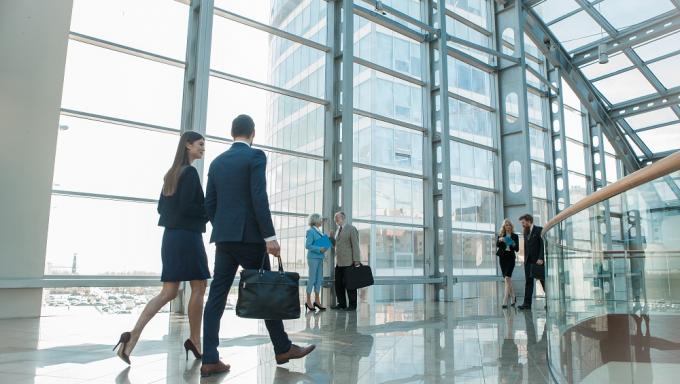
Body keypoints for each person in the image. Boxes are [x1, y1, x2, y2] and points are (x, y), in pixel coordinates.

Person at [200, 114, 315, 377]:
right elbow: (258, 197)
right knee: (266, 290)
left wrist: (225, 227)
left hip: (224, 239)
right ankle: (283, 348)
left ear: (232, 133)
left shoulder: (217, 163)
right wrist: (269, 237)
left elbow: (210, 204)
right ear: (252, 133)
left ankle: (209, 358)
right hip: (251, 239)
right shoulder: (255, 157)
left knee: (216, 297)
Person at [114, 131, 210, 364]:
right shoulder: (191, 174)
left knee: (168, 292)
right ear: (187, 145)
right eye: (200, 144)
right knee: (199, 287)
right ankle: (195, 341)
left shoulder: (171, 174)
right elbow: (189, 208)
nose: (203, 148)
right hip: (188, 237)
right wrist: (209, 210)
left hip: (171, 238)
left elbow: (161, 209)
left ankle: (132, 337)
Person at [329, 211, 361, 311]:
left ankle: (352, 305)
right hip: (339, 262)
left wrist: (357, 260)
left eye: (337, 218)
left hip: (349, 262)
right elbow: (335, 245)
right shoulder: (337, 230)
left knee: (350, 284)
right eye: (335, 218)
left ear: (343, 218)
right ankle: (341, 304)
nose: (335, 220)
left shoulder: (351, 229)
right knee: (338, 284)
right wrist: (331, 237)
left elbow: (355, 245)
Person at [517, 214, 545, 310]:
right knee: (528, 283)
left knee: (543, 282)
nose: (522, 225)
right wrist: (524, 261)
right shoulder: (525, 232)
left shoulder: (539, 230)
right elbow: (526, 247)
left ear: (529, 221)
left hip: (538, 261)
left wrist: (541, 258)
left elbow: (542, 245)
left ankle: (549, 302)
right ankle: (527, 304)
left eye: (523, 223)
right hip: (528, 262)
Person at [305, 213, 327, 312]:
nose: (321, 221)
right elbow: (308, 245)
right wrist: (319, 249)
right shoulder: (310, 231)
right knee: (312, 278)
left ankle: (317, 301)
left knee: (319, 279)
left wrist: (325, 245)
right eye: (320, 219)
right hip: (313, 258)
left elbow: (322, 246)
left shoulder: (320, 232)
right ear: (316, 220)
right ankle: (308, 300)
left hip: (320, 258)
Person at [496, 219, 519, 308]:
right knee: (507, 278)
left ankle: (505, 299)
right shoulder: (501, 235)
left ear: (511, 226)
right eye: (506, 225)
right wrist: (501, 239)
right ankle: (513, 296)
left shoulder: (515, 236)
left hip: (511, 258)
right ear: (504, 227)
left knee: (507, 277)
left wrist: (511, 242)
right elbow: (498, 245)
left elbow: (517, 249)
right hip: (502, 258)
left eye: (509, 225)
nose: (508, 226)